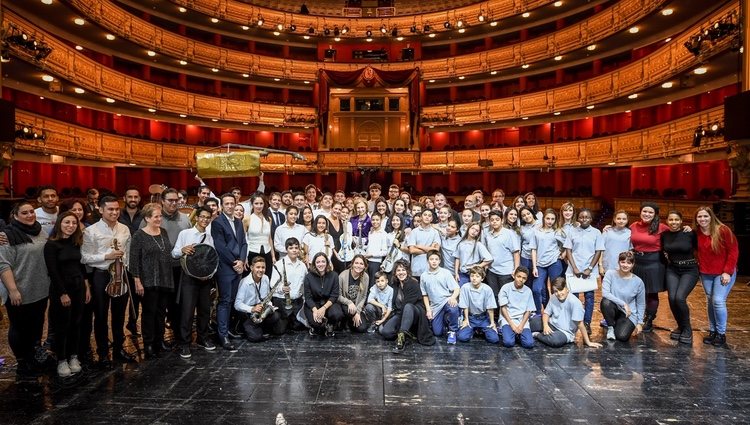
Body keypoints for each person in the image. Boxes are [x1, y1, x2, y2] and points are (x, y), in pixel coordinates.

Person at [81, 196, 136, 366]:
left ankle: (119, 349)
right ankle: (103, 352)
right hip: (102, 275)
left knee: (119, 315)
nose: (114, 212)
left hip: (121, 274)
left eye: (116, 209)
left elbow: (128, 252)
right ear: (101, 210)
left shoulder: (125, 229)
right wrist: (107, 256)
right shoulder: (91, 231)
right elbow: (84, 257)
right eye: (110, 209)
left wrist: (124, 265)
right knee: (101, 315)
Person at [0, 202, 52, 376]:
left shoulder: (40, 231)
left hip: (40, 289)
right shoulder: (7, 236)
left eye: (31, 211)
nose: (30, 215)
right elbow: (3, 265)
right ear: (15, 216)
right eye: (24, 213)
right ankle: (22, 361)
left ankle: (32, 357)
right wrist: (13, 290)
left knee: (36, 325)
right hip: (19, 290)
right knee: (19, 327)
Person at [44, 211, 89, 377]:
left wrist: (86, 287)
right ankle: (61, 360)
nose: (71, 226)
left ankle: (73, 356)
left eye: (74, 223)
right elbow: (53, 272)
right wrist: (62, 293)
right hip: (61, 289)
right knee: (62, 325)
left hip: (78, 287)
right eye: (67, 223)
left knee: (76, 323)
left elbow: (81, 266)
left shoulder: (76, 242)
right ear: (59, 224)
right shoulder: (51, 245)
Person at [129, 203, 176, 359]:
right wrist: (137, 281)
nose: (159, 219)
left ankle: (159, 340)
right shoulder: (139, 235)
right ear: (147, 218)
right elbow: (134, 261)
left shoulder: (162, 232)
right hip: (148, 281)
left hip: (164, 279)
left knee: (161, 312)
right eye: (156, 216)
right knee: (149, 313)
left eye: (160, 216)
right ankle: (149, 343)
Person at [173, 206, 217, 359]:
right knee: (187, 311)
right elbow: (174, 253)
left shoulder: (209, 237)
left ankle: (202, 338)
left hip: (205, 279)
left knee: (205, 310)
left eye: (208, 218)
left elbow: (211, 258)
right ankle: (184, 344)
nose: (205, 220)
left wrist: (210, 274)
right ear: (196, 218)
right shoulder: (185, 233)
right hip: (189, 278)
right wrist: (183, 250)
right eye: (202, 217)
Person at [694, 206, 739, 347]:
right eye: (699, 217)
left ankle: (721, 333)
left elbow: (733, 252)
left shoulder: (723, 230)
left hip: (723, 272)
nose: (703, 219)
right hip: (706, 272)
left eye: (705, 216)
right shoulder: (696, 233)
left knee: (718, 301)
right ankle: (712, 331)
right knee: (710, 301)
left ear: (711, 217)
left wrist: (727, 271)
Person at [211, 193, 248, 352]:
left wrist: (242, 260)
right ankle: (223, 335)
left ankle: (229, 330)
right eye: (226, 203)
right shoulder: (217, 223)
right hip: (226, 268)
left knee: (233, 300)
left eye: (232, 203)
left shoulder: (239, 222)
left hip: (238, 266)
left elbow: (244, 243)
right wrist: (235, 262)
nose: (230, 206)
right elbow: (220, 246)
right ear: (222, 206)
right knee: (225, 301)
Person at [379, 260, 435, 353]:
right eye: (398, 270)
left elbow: (406, 305)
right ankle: (407, 333)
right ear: (395, 273)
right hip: (400, 313)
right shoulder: (395, 285)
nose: (401, 272)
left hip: (415, 313)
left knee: (408, 306)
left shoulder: (413, 283)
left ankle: (401, 339)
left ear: (408, 271)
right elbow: (394, 305)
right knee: (386, 332)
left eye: (403, 270)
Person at [563, 208, 604, 334]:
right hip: (574, 268)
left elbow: (598, 251)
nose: (584, 219)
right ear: (578, 218)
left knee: (589, 297)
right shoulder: (572, 231)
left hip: (589, 270)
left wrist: (590, 268)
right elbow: (568, 250)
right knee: (574, 297)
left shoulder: (597, 232)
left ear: (591, 219)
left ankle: (587, 323)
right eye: (581, 217)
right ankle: (575, 322)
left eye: (587, 217)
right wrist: (574, 267)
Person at [530, 277, 602, 349]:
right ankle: (544, 333)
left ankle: (537, 335)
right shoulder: (553, 297)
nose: (559, 293)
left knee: (555, 341)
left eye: (561, 290)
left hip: (565, 332)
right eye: (556, 291)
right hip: (552, 324)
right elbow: (546, 313)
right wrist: (545, 325)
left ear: (567, 289)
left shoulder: (575, 302)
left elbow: (580, 324)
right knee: (532, 322)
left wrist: (588, 342)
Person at [630, 202, 669, 332]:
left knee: (651, 293)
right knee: (637, 292)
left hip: (654, 262)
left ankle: (649, 319)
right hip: (637, 262)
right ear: (640, 212)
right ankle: (636, 317)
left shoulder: (662, 228)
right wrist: (608, 227)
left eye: (650, 212)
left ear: (655, 214)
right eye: (645, 211)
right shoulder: (633, 226)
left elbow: (676, 235)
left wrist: (686, 229)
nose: (647, 214)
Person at [661, 211, 699, 344]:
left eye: (676, 220)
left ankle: (687, 329)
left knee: (679, 298)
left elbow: (702, 247)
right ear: (667, 221)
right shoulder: (664, 235)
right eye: (671, 220)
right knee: (672, 298)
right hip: (673, 269)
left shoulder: (689, 233)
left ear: (682, 221)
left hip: (689, 269)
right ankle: (680, 326)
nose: (674, 222)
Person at [234, 256, 284, 342]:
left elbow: (267, 297)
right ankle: (249, 328)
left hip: (260, 308)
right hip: (248, 313)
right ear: (251, 268)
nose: (261, 270)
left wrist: (269, 307)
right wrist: (252, 309)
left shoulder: (265, 278)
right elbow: (237, 304)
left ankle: (258, 327)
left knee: (276, 316)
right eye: (258, 267)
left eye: (263, 267)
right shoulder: (245, 283)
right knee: (255, 338)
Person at [600, 251, 646, 342]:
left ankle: (617, 324)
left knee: (621, 337)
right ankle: (610, 327)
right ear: (618, 262)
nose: (625, 265)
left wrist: (640, 323)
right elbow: (605, 293)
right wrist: (623, 304)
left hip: (628, 314)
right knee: (605, 302)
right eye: (623, 262)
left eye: (629, 263)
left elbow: (641, 304)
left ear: (633, 264)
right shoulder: (610, 274)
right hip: (614, 308)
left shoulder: (638, 282)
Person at [529, 209, 565, 315]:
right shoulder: (536, 231)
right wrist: (534, 266)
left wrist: (562, 254)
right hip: (540, 264)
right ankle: (538, 313)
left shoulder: (558, 231)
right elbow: (533, 249)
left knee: (556, 289)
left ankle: (556, 312)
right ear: (543, 218)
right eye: (548, 218)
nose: (550, 221)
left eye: (553, 219)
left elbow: (568, 244)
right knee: (536, 289)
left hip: (554, 262)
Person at [420, 250, 460, 344]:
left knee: (453, 307)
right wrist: (428, 309)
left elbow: (457, 288)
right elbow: (424, 295)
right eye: (431, 259)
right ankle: (445, 321)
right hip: (435, 305)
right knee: (437, 333)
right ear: (428, 261)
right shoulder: (424, 276)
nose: (434, 261)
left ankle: (453, 331)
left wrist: (453, 297)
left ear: (439, 261)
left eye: (436, 259)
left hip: (446, 300)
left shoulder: (445, 273)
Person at [119, 186, 143, 337]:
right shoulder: (118, 214)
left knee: (138, 295)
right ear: (125, 198)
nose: (133, 200)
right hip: (122, 260)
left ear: (139, 199)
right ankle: (119, 330)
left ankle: (132, 323)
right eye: (130, 197)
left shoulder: (144, 214)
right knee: (122, 298)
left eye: (135, 197)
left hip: (141, 259)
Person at [270, 237, 307, 332]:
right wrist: (281, 288)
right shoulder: (278, 264)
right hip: (282, 300)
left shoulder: (302, 266)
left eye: (296, 248)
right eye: (291, 248)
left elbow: (305, 283)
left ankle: (292, 320)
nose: (294, 250)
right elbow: (272, 284)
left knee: (298, 327)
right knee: (280, 330)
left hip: (296, 301)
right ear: (286, 249)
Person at [483, 211, 521, 302]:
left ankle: (505, 316)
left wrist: (516, 269)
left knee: (506, 296)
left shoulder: (509, 233)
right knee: (494, 296)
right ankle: (496, 316)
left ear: (502, 220)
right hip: (492, 271)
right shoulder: (488, 235)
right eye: (492, 220)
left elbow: (516, 252)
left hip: (506, 271)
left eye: (497, 219)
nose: (494, 222)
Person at [303, 252, 343, 337]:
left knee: (337, 314)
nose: (321, 264)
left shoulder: (334, 275)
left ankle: (330, 324)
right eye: (318, 262)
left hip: (328, 303)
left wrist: (323, 308)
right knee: (317, 324)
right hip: (313, 304)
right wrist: (315, 311)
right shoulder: (308, 277)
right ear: (314, 264)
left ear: (327, 263)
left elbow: (334, 295)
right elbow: (308, 297)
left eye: (323, 261)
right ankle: (318, 326)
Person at [457, 266, 499, 344]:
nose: (474, 278)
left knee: (494, 339)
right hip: (471, 317)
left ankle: (481, 330)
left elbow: (490, 308)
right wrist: (466, 319)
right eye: (472, 276)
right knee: (462, 337)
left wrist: (492, 322)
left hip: (483, 318)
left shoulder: (487, 289)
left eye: (477, 276)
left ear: (482, 278)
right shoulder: (465, 287)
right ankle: (473, 330)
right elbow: (465, 305)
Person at [498, 266, 535, 348]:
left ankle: (517, 335)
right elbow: (503, 308)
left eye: (524, 278)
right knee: (508, 343)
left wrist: (521, 326)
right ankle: (509, 332)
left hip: (521, 320)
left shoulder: (528, 291)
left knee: (529, 344)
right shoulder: (506, 288)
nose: (521, 280)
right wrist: (512, 325)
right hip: (508, 319)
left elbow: (528, 311)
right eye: (519, 276)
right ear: (514, 276)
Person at [404, 209, 441, 278]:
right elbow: (412, 250)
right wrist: (429, 249)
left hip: (431, 269)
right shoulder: (414, 232)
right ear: (421, 217)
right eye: (425, 215)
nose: (427, 217)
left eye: (429, 216)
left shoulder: (435, 232)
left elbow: (436, 250)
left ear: (432, 219)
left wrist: (418, 246)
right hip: (416, 269)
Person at [337, 254, 370, 333]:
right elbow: (338, 295)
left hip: (356, 306)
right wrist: (349, 302)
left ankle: (350, 321)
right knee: (349, 310)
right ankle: (344, 320)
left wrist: (358, 312)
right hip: (345, 305)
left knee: (362, 328)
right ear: (352, 264)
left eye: (361, 264)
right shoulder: (343, 275)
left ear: (364, 266)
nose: (358, 266)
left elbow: (364, 296)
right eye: (356, 263)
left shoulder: (365, 277)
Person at [453, 221, 492, 286]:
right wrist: (456, 273)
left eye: (477, 230)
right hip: (463, 273)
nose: (474, 231)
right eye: (472, 228)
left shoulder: (478, 245)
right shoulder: (461, 243)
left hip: (475, 274)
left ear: (478, 233)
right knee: (462, 290)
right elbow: (457, 258)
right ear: (468, 229)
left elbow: (489, 259)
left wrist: (478, 266)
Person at [245, 194, 274, 279]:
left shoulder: (269, 219)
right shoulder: (247, 219)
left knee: (267, 277)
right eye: (256, 203)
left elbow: (270, 238)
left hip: (267, 252)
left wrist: (273, 256)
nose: (259, 206)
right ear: (252, 204)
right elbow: (243, 240)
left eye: (261, 203)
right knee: (252, 279)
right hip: (251, 252)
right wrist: (245, 257)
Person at [364, 213, 388, 280]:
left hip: (375, 262)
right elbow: (369, 245)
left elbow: (385, 252)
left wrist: (372, 255)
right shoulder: (371, 232)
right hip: (366, 260)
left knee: (373, 281)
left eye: (377, 220)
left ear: (381, 221)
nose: (375, 222)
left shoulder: (384, 234)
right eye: (373, 220)